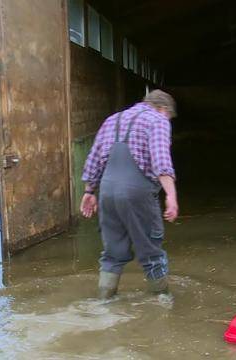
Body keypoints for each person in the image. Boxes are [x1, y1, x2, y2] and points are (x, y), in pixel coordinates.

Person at [80, 90, 179, 299]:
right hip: (137, 192)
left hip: (107, 191)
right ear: (164, 109)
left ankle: (104, 301)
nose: (167, 120)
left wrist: (89, 191)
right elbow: (161, 161)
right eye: (169, 116)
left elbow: (94, 157)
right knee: (151, 251)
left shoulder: (112, 120)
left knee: (112, 253)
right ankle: (163, 302)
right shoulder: (158, 120)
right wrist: (171, 196)